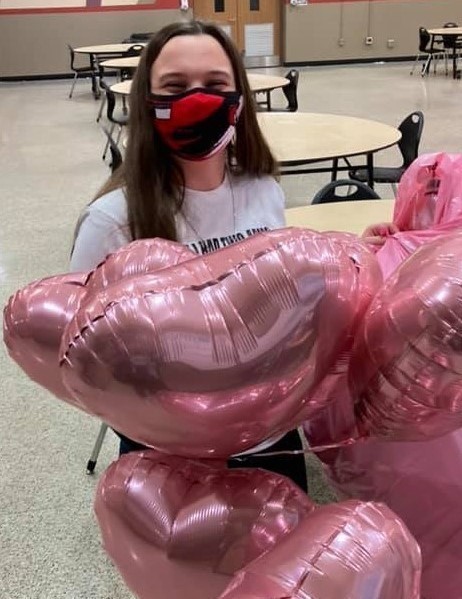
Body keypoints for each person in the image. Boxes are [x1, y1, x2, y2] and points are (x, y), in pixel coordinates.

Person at [70, 20, 308, 492]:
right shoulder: (111, 220)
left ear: (239, 99)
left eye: (216, 85)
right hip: (170, 453)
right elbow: (84, 359)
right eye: (174, 87)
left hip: (271, 439)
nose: (197, 100)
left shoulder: (264, 191)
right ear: (146, 102)